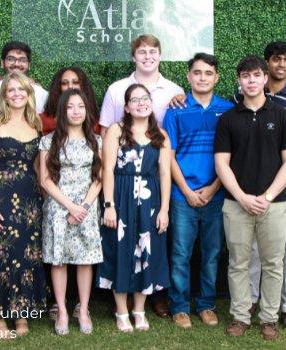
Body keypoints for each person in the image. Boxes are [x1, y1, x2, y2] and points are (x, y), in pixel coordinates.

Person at [214, 55, 286, 341]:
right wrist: (241, 197)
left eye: (256, 75)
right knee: (238, 262)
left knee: (273, 263)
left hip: (274, 205)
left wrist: (267, 195)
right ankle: (240, 316)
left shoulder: (283, 117)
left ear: (265, 79)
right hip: (235, 204)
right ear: (239, 80)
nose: (251, 81)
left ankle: (268, 318)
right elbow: (222, 163)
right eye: (245, 76)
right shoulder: (227, 119)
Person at [238, 41, 286, 330]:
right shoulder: (245, 94)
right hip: (254, 185)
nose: (281, 65)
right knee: (257, 249)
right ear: (266, 64)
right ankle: (254, 300)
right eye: (275, 59)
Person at [163, 53, 233, 329]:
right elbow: (169, 155)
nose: (202, 78)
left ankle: (206, 304)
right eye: (197, 72)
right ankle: (179, 306)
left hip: (215, 195)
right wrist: (187, 190)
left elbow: (231, 156)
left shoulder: (227, 111)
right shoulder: (176, 111)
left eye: (208, 73)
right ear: (189, 76)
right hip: (182, 196)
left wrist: (214, 186)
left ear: (216, 77)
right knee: (180, 254)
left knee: (211, 253)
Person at [0, 71, 47, 339]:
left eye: (22, 90)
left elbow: (39, 168)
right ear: (5, 95)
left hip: (30, 200)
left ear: (29, 95)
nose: (17, 94)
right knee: (1, 253)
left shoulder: (37, 125)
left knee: (26, 254)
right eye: (11, 90)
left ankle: (21, 312)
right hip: (1, 198)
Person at [97, 83, 171, 332]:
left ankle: (139, 310)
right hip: (121, 196)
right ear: (126, 107)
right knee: (121, 251)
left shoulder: (160, 135)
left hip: (150, 201)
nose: (141, 103)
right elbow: (107, 169)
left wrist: (164, 210)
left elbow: (165, 175)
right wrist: (109, 205)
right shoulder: (116, 130)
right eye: (135, 99)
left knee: (146, 253)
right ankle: (121, 311)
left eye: (145, 98)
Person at [39, 89, 103, 335]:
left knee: (85, 260)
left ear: (87, 111)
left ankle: (84, 309)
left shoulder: (95, 140)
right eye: (70, 107)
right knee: (59, 260)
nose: (75, 111)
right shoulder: (49, 140)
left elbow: (99, 177)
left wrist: (84, 206)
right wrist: (70, 206)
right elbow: (45, 180)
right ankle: (63, 312)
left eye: (80, 107)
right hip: (58, 207)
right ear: (62, 111)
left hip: (86, 207)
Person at [99, 34, 183, 140]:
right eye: (142, 52)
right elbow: (105, 132)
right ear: (134, 57)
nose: (148, 56)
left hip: (163, 155)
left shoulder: (175, 92)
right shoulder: (115, 89)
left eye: (153, 52)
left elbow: (182, 134)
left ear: (160, 56)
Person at [0, 41, 48, 115]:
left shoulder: (43, 96)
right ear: (2, 63)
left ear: (29, 65)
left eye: (22, 60)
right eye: (11, 59)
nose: (17, 64)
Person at [41, 66, 100, 135]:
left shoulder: (94, 120)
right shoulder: (44, 120)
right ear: (58, 87)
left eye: (75, 82)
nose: (70, 87)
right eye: (64, 83)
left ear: (83, 86)